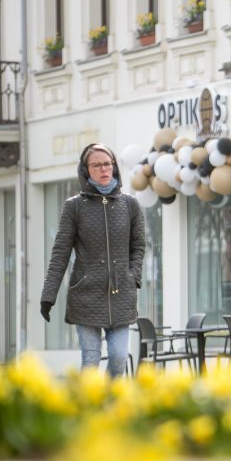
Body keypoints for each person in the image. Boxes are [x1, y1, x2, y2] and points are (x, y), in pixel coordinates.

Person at [40, 143, 146, 377]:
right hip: (86, 295)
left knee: (119, 357)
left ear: (115, 167)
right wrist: (49, 295)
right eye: (96, 165)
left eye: (107, 164)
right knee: (91, 359)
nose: (103, 169)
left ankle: (108, 405)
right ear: (86, 170)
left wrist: (133, 276)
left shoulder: (130, 204)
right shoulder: (74, 207)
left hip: (121, 295)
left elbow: (138, 246)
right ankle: (87, 408)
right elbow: (60, 253)